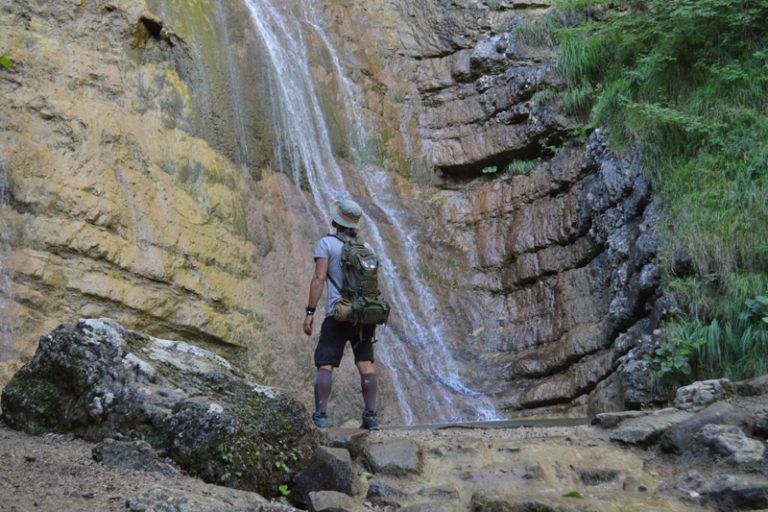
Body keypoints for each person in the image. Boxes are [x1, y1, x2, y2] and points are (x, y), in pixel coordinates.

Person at [303, 199, 380, 430]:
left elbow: (318, 279)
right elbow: (373, 284)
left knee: (325, 365)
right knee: (365, 364)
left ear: (336, 220)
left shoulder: (327, 243)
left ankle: (321, 417)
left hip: (337, 314)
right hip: (362, 315)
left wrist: (310, 312)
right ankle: (371, 417)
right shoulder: (368, 249)